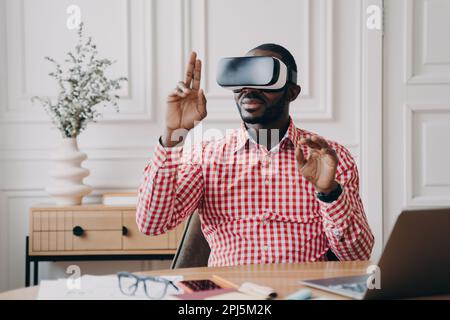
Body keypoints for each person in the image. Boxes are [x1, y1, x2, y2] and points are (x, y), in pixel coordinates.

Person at [136, 44, 374, 266]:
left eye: (264, 77)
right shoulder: (206, 157)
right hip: (232, 299)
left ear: (292, 92)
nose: (249, 89)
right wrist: (173, 135)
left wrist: (329, 192)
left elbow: (358, 256)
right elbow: (152, 224)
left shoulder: (330, 158)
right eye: (242, 78)